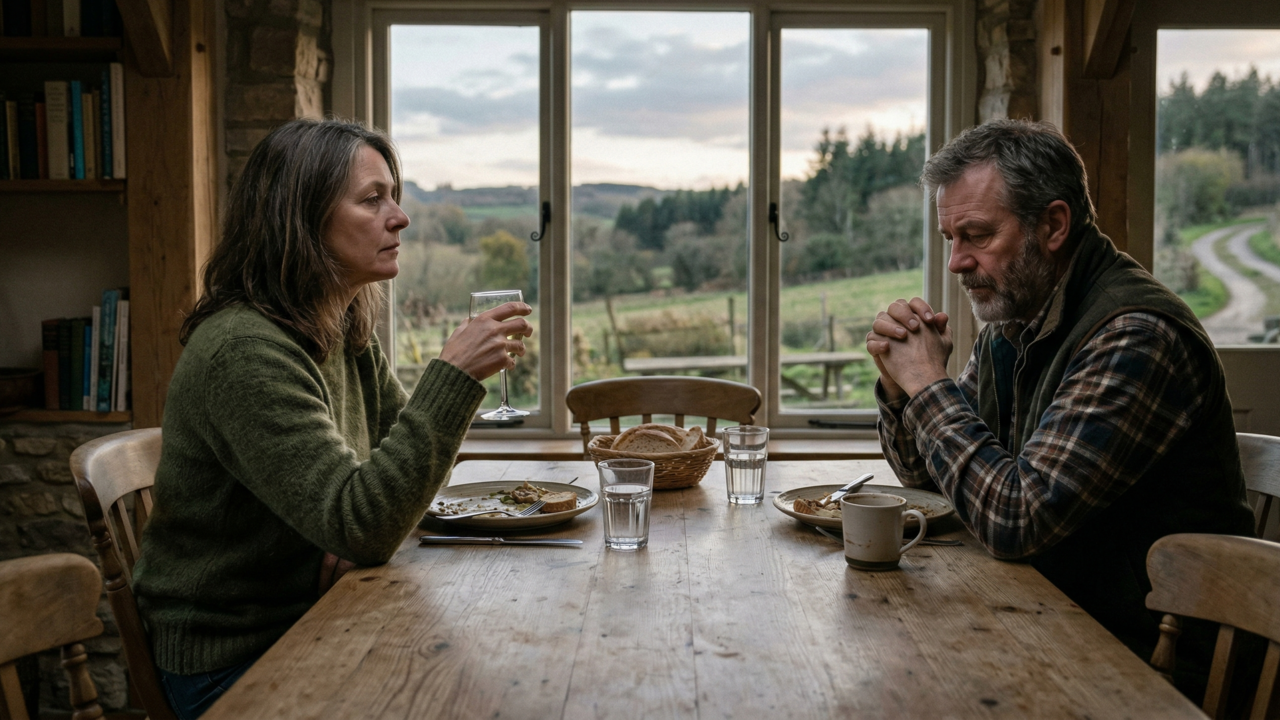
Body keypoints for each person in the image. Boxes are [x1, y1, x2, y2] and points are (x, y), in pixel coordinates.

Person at [131, 118, 533, 719]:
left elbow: (391, 485)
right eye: (373, 200)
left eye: (393, 197)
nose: (399, 218)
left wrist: (356, 523)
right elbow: (364, 519)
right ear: (300, 217)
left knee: (495, 675)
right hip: (234, 660)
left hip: (319, 613)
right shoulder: (243, 351)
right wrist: (450, 378)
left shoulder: (342, 324)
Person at [866, 119, 1256, 699]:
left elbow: (1016, 521)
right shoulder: (1015, 317)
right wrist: (901, 391)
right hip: (1049, 617)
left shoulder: (1134, 336)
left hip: (1156, 665)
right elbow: (938, 480)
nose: (956, 262)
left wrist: (927, 385)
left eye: (975, 235)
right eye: (951, 239)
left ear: (1053, 225)